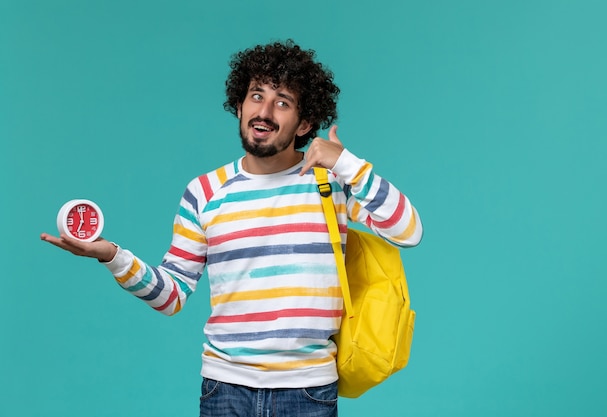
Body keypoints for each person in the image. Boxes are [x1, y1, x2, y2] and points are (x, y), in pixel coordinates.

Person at [41, 39, 423, 417]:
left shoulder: (330, 183)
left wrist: (349, 164)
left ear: (305, 122)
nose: (265, 111)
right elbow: (171, 295)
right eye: (256, 96)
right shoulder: (204, 192)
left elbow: (408, 231)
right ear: (239, 105)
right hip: (224, 391)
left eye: (283, 102)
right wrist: (113, 257)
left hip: (308, 391)